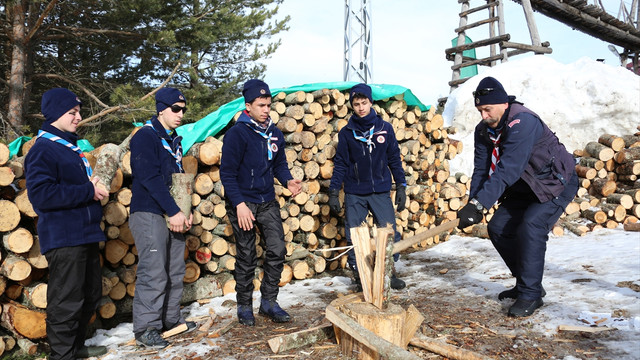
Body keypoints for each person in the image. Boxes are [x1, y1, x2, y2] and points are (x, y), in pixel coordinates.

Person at [456, 77, 578, 317]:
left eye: (487, 109)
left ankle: (531, 294)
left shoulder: (523, 122)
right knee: (498, 228)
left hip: (554, 183)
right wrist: (473, 205)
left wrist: (482, 203)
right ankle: (527, 283)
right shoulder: (484, 130)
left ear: (503, 103)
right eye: (480, 110)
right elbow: (481, 169)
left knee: (531, 226)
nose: (483, 115)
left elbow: (509, 167)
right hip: (523, 187)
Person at [25, 88, 108, 360]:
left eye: (78, 112)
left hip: (84, 234)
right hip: (64, 237)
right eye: (72, 113)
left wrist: (92, 190)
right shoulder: (43, 150)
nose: (78, 117)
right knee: (66, 302)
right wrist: (87, 191)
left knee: (90, 294)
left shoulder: (69, 148)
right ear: (56, 114)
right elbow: (42, 196)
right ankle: (62, 355)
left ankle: (76, 347)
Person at [220, 79, 302, 326]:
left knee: (277, 249)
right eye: (261, 105)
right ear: (248, 106)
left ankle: (269, 302)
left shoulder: (275, 133)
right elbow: (227, 174)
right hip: (243, 202)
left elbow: (279, 165)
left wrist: (287, 181)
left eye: (269, 104)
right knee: (246, 255)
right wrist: (239, 204)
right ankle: (244, 306)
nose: (267, 109)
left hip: (267, 201)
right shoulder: (237, 134)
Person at [129, 87, 195, 348]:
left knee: (175, 269)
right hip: (149, 212)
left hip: (172, 213)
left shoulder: (173, 139)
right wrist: (174, 210)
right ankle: (146, 328)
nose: (180, 114)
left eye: (183, 110)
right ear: (161, 109)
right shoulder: (146, 136)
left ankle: (171, 319)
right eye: (175, 109)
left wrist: (183, 212)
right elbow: (150, 179)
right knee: (154, 270)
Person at [328, 83, 407, 291]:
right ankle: (359, 273)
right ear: (352, 106)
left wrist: (401, 185)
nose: (361, 107)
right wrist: (334, 191)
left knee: (389, 231)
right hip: (355, 192)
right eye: (356, 104)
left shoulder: (385, 129)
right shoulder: (347, 133)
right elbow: (341, 163)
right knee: (355, 233)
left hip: (380, 190)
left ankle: (389, 271)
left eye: (364, 103)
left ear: (371, 103)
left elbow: (394, 159)